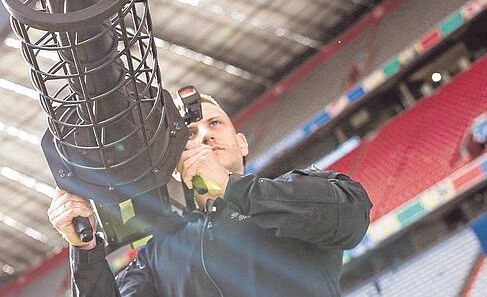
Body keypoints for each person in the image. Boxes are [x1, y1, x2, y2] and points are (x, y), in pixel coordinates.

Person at [48, 94, 372, 296]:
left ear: (241, 143)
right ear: (172, 166)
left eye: (215, 123)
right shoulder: (159, 253)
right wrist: (85, 250)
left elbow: (352, 215)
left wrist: (230, 187)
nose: (204, 136)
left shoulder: (288, 194)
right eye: (190, 134)